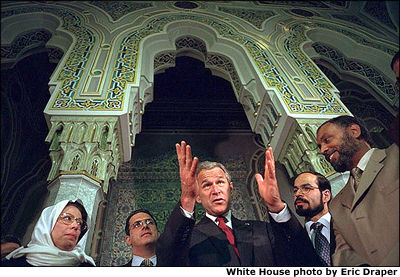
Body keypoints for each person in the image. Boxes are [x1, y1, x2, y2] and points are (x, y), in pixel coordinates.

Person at [156, 141, 320, 266]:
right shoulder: (189, 237)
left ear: (231, 188)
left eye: (220, 182)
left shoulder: (263, 230)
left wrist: (276, 206)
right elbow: (167, 261)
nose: (216, 190)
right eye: (206, 185)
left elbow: (303, 257)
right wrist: (186, 199)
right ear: (197, 196)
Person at [316, 115, 399, 266]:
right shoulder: (335, 205)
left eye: (327, 140)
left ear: (354, 131)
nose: (323, 150)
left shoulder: (395, 156)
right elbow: (343, 254)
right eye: (320, 146)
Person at [255, 149, 335, 266]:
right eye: (295, 190)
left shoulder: (346, 225)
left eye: (306, 188)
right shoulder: (295, 238)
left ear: (325, 195)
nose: (298, 194)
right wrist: (275, 205)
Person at [2, 199, 95, 266]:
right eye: (68, 218)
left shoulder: (86, 267)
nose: (76, 226)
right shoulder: (13, 264)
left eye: (80, 223)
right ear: (48, 223)